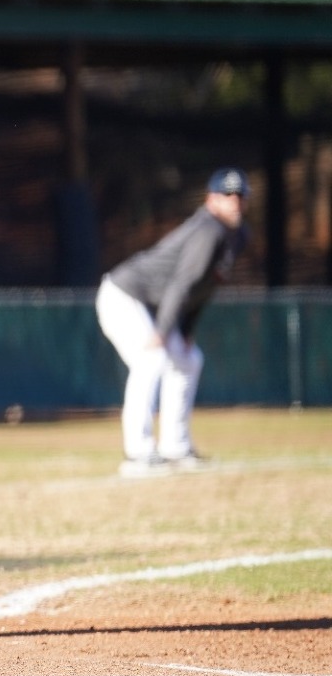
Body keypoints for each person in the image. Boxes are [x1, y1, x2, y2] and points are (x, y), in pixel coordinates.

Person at [96, 167, 249, 478]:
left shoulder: (236, 235)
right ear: (211, 199)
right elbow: (181, 283)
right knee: (151, 359)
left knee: (189, 360)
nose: (235, 201)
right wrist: (165, 331)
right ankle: (138, 454)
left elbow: (202, 288)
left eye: (240, 195)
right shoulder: (209, 230)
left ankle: (175, 448)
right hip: (124, 296)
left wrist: (186, 331)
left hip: (155, 306)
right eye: (227, 194)